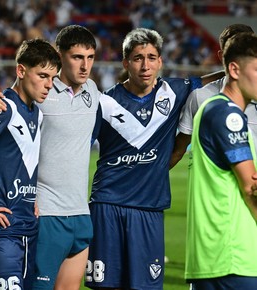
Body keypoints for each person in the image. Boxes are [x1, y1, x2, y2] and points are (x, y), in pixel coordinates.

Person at [85, 27, 222, 290]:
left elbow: (210, 82)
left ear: (160, 61)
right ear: (126, 63)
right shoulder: (105, 103)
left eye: (151, 57)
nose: (145, 65)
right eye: (138, 58)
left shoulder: (176, 90)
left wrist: (235, 67)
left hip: (149, 207)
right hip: (107, 204)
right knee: (106, 286)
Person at [0, 25, 102, 290]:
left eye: (90, 57)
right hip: (25, 222)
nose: (85, 66)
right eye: (77, 57)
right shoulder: (28, 100)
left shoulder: (87, 93)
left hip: (48, 220)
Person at [0, 38, 60, 290]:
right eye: (42, 76)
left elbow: (25, 160)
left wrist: (33, 198)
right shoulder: (2, 107)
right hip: (0, 229)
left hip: (29, 227)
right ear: (21, 70)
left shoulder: (38, 115)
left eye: (52, 78)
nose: (48, 85)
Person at [185, 32, 257, 290]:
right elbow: (251, 187)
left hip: (223, 257)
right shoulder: (227, 115)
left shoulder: (223, 112)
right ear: (234, 69)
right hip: (232, 255)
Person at [170, 23, 256, 168]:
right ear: (222, 56)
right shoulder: (201, 97)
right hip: (227, 187)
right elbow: (178, 151)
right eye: (234, 52)